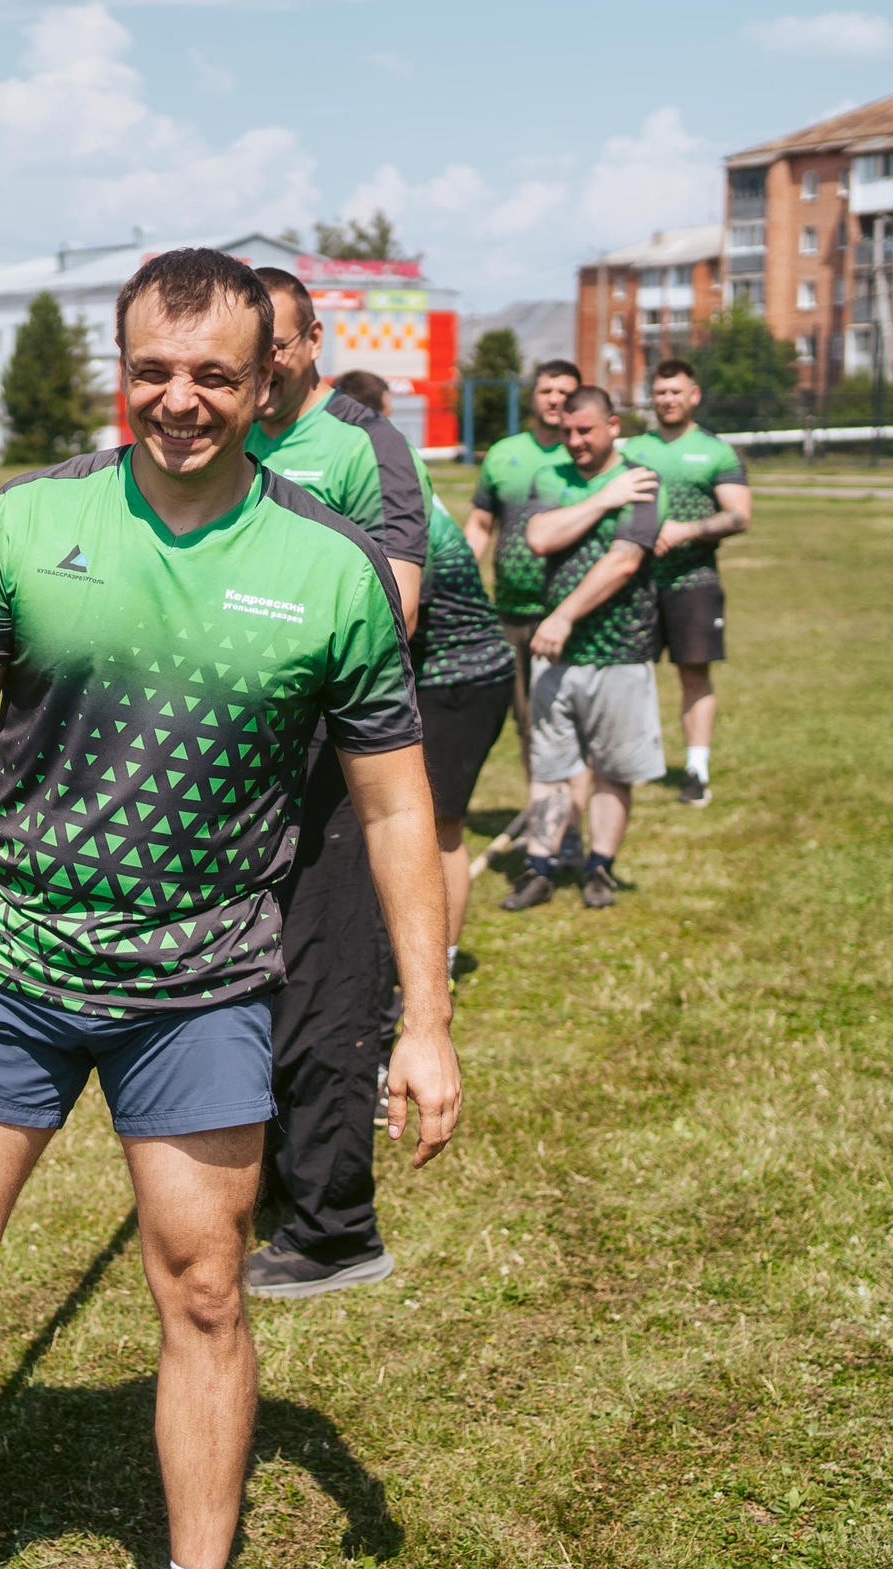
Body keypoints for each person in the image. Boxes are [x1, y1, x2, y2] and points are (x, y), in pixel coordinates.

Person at [0, 250, 459, 1569]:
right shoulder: (29, 524)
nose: (181, 399)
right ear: (121, 367)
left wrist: (428, 1022)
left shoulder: (329, 565)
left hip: (206, 980)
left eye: (215, 372)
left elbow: (399, 809)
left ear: (268, 379)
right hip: (8, 960)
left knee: (205, 1286)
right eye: (155, 367)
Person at [237, 268, 435, 1302]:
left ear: (310, 340)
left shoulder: (360, 443)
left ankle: (335, 1228)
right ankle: (270, 1180)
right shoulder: (229, 440)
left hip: (331, 767)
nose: (257, 365)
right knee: (247, 981)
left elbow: (395, 605)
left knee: (326, 987)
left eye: (273, 343)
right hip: (242, 770)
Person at [336, 368, 511, 977]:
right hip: (422, 673)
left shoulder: (390, 477)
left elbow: (405, 610)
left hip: (461, 676)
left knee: (436, 828)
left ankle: (443, 959)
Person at [505, 385, 662, 912]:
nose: (572, 440)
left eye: (585, 430)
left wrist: (565, 615)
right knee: (549, 766)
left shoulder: (642, 480)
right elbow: (541, 537)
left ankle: (600, 868)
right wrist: (602, 500)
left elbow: (624, 560)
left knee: (613, 769)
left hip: (618, 650)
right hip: (558, 654)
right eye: (567, 431)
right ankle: (541, 867)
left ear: (613, 426)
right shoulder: (552, 476)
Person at [621, 358, 751, 806]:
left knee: (694, 673)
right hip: (633, 582)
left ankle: (696, 768)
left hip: (694, 580)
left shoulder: (717, 451)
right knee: (626, 675)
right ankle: (628, 764)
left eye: (676, 392)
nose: (667, 400)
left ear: (694, 395)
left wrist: (684, 530)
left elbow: (740, 515)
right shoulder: (632, 449)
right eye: (660, 392)